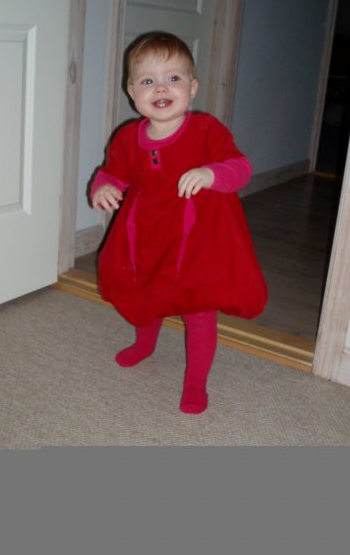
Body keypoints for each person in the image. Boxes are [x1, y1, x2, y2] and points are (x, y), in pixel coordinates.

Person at [91, 31, 267, 414]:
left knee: (198, 311)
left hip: (197, 243)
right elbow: (114, 172)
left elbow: (240, 168)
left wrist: (210, 173)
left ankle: (196, 382)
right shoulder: (127, 137)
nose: (161, 88)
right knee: (146, 294)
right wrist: (104, 187)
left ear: (193, 87)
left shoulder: (206, 130)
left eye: (173, 78)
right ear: (132, 92)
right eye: (147, 80)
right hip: (148, 237)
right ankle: (145, 344)